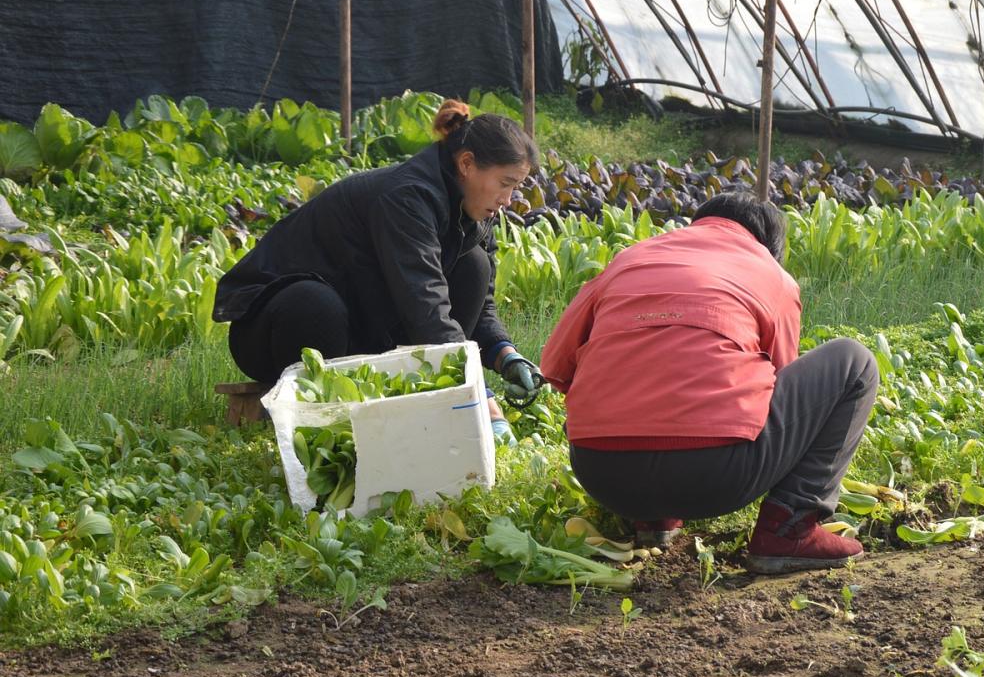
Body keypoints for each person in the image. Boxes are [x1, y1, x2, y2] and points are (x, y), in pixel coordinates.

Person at [538, 190, 879, 573]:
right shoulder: (770, 274)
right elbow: (780, 384)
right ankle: (788, 529)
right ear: (769, 247)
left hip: (603, 474)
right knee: (856, 361)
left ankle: (651, 519)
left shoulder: (629, 260)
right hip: (717, 477)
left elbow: (554, 366)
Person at [213, 101, 542, 441]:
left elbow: (481, 305)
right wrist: (481, 397)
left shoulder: (475, 213)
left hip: (359, 322)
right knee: (315, 304)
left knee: (474, 265)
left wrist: (506, 355)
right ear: (467, 163)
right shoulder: (406, 197)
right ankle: (318, 417)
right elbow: (425, 307)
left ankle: (419, 396)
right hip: (272, 329)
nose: (509, 199)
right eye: (505, 183)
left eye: (515, 186)